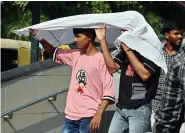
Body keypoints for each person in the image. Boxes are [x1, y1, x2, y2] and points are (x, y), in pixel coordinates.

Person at [29, 28, 115, 133]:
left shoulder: (102, 60)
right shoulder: (75, 55)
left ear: (89, 37)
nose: (75, 40)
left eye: (78, 36)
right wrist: (38, 36)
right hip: (70, 117)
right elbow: (54, 52)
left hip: (89, 117)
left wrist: (98, 114)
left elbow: (108, 91)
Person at [95, 25, 161, 133]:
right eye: (122, 32)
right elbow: (112, 68)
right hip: (121, 108)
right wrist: (102, 40)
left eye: (125, 32)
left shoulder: (151, 51)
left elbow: (144, 74)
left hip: (139, 108)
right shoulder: (124, 51)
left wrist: (127, 48)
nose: (122, 35)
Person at [151, 22, 184, 131]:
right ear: (166, 35)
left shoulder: (181, 57)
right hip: (156, 108)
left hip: (177, 110)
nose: (180, 36)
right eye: (176, 33)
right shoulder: (156, 54)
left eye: (181, 34)